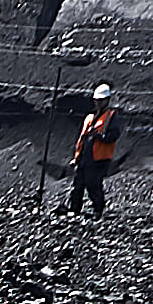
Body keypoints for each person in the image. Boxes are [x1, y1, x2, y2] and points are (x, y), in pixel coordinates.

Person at [63, 86, 122, 217]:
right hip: (85, 157)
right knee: (77, 185)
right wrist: (76, 157)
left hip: (99, 158)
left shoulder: (111, 117)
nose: (98, 103)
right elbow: (82, 139)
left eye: (101, 100)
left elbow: (114, 136)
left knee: (93, 184)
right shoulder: (90, 117)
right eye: (97, 100)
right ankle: (74, 209)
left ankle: (98, 210)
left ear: (107, 100)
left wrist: (99, 136)